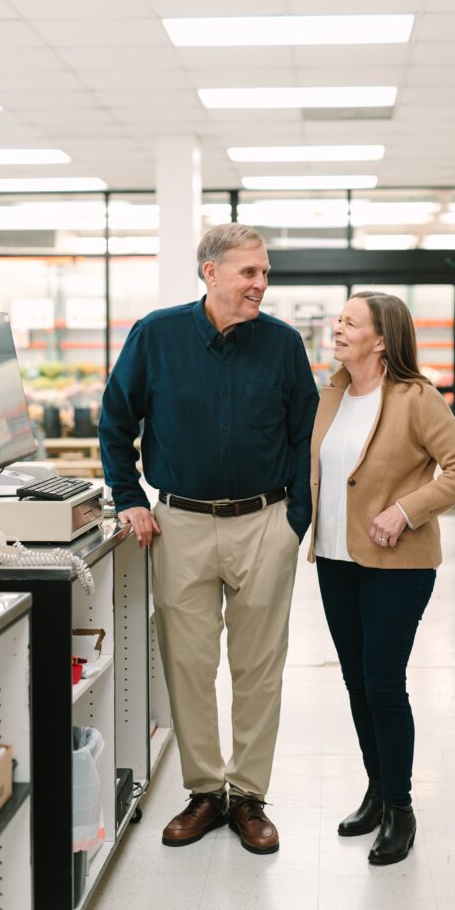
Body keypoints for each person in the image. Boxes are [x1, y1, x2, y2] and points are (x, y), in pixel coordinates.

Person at [98, 223, 318, 855]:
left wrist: (293, 521)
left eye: (265, 273)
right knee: (188, 668)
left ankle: (248, 797)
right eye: (249, 272)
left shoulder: (281, 345)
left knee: (259, 668)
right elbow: (115, 422)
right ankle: (204, 793)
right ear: (211, 272)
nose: (261, 285)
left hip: (264, 524)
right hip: (180, 526)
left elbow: (305, 437)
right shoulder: (156, 335)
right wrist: (129, 498)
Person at [308, 290, 455, 865]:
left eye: (349, 322)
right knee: (357, 683)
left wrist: (407, 509)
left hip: (396, 565)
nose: (337, 327)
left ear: (381, 340)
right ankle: (377, 791)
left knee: (383, 684)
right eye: (339, 318)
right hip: (335, 559)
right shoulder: (331, 394)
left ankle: (401, 810)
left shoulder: (415, 397)